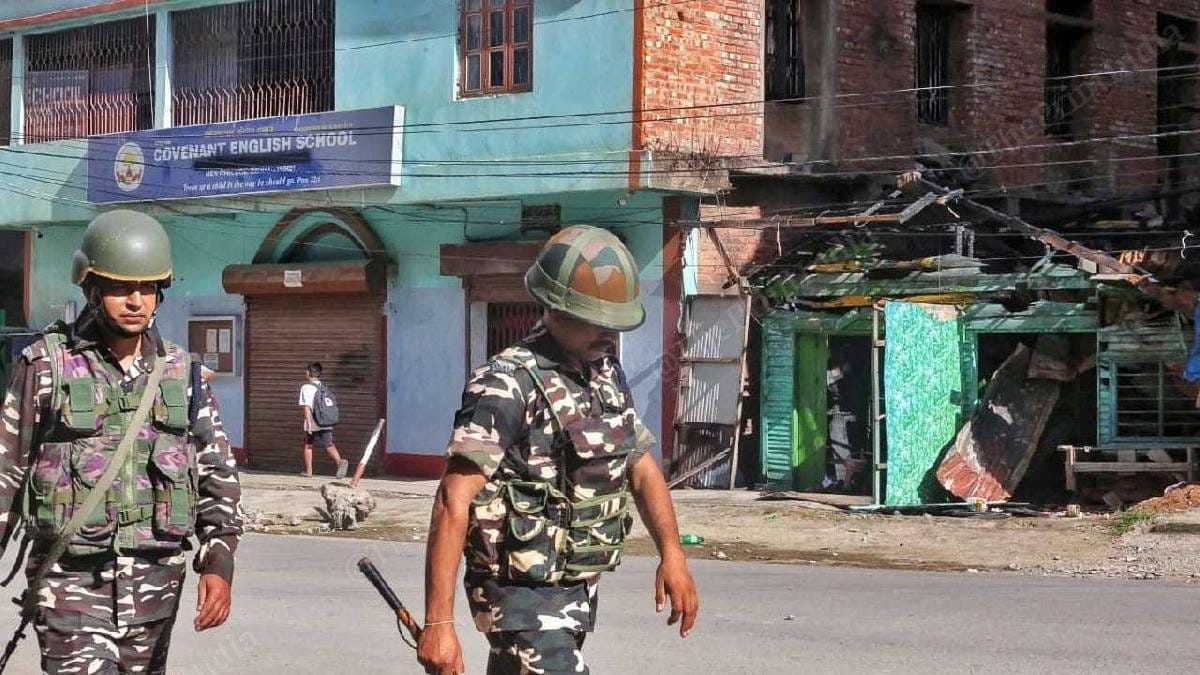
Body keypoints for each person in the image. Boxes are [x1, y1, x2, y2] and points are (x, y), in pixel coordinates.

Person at [418, 225, 699, 675]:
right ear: (556, 308)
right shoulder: (506, 383)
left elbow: (640, 465)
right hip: (520, 597)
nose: (610, 334)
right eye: (598, 321)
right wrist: (438, 623)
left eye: (615, 324)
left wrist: (673, 554)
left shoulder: (604, 374)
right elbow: (453, 499)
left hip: (573, 589)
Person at [0, 209, 243, 674]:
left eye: (148, 288)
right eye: (119, 287)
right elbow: (5, 474)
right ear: (90, 287)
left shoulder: (182, 375)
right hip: (69, 588)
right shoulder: (46, 368)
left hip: (155, 592)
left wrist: (219, 561)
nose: (135, 300)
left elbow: (217, 476)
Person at [298, 362, 347, 478]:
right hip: (325, 420)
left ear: (308, 373)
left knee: (308, 445)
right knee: (329, 444)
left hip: (314, 421)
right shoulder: (324, 387)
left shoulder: (306, 387)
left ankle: (309, 472)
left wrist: (308, 423)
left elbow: (306, 406)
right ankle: (340, 462)